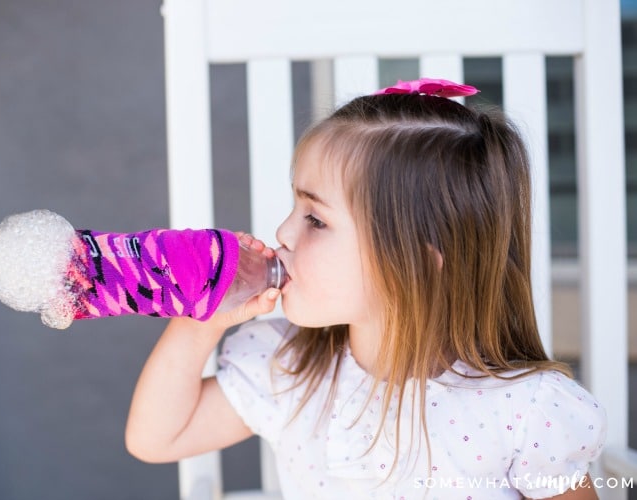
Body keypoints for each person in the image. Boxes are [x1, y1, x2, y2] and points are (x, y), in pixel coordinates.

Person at [125, 79, 607, 499]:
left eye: (315, 219)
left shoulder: (524, 412)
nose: (283, 233)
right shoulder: (288, 368)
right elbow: (158, 438)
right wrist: (199, 321)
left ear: (413, 265)